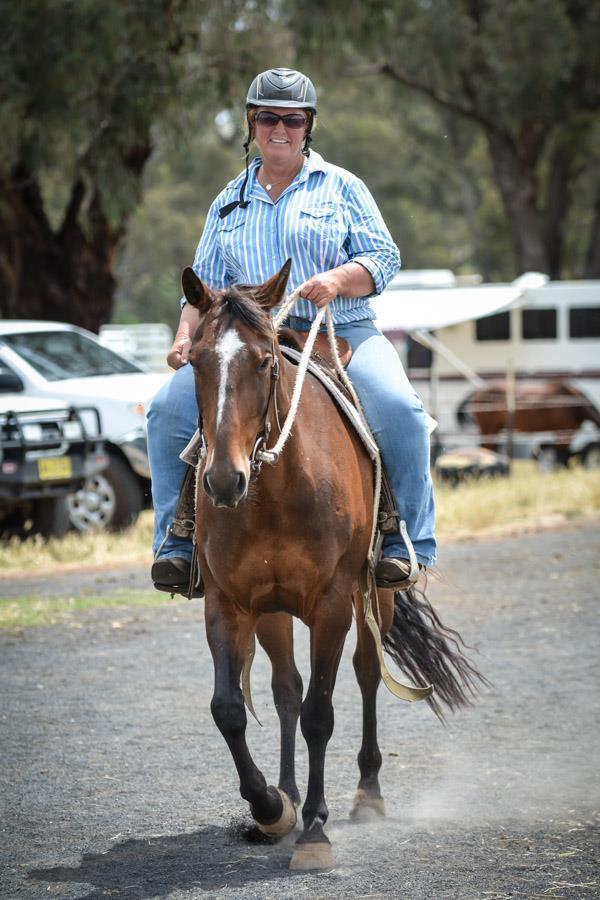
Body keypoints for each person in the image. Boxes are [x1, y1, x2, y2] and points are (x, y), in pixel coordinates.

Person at [148, 66, 436, 594]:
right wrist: (184, 336)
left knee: (401, 411)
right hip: (250, 340)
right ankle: (177, 543)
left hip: (340, 331)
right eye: (267, 118)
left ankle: (408, 540)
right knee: (165, 412)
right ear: (251, 124)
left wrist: (338, 279)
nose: (279, 129)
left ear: (309, 127)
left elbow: (383, 257)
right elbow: (203, 286)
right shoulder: (227, 201)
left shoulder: (342, 187)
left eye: (292, 120)